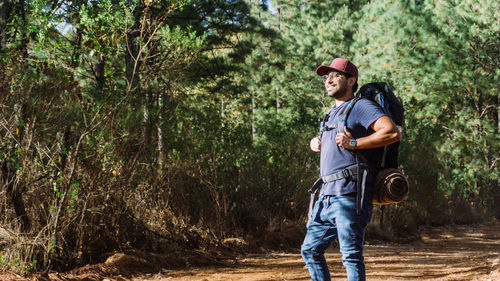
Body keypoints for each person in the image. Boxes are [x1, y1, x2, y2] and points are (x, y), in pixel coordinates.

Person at [301, 58, 401, 281]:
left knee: (351, 257)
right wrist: (315, 142)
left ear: (351, 80)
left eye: (336, 75)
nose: (329, 79)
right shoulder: (331, 113)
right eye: (327, 76)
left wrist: (354, 143)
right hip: (326, 197)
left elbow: (392, 132)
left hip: (349, 195)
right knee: (310, 250)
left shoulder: (362, 106)